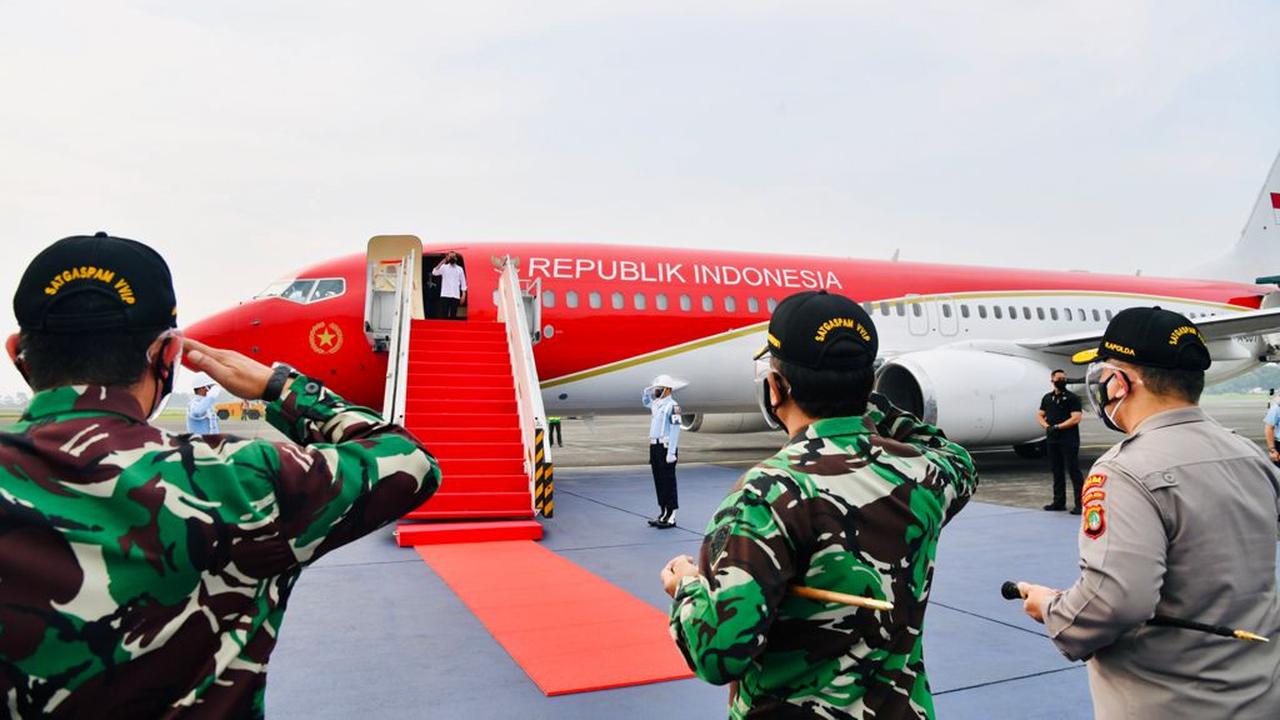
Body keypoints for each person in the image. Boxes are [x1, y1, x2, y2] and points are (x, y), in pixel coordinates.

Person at [0, 233, 441, 718]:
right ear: (168, 356)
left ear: (17, 352)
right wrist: (282, 387)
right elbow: (409, 460)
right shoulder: (237, 481)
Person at [661, 290, 978, 719]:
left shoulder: (766, 493)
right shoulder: (926, 475)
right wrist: (864, 401)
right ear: (868, 383)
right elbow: (954, 456)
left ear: (776, 388)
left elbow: (719, 654)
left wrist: (686, 587)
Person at [1017, 307, 1280, 719]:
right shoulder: (1250, 455)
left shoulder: (1124, 471)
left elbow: (1115, 603)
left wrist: (1051, 608)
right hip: (1259, 695)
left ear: (1119, 384)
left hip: (1169, 703)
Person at [1037, 368, 1084, 513]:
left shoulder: (1072, 398)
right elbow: (1039, 414)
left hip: (1068, 438)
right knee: (1056, 470)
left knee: (1073, 469)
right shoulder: (1047, 398)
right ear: (1052, 380)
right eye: (1059, 379)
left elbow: (1076, 418)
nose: (1062, 381)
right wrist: (1047, 427)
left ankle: (1080, 504)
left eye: (1063, 379)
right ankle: (1058, 502)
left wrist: (1058, 426)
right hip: (1053, 439)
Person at [643, 375, 683, 528]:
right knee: (659, 481)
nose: (657, 391)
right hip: (655, 447)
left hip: (666, 447)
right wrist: (646, 392)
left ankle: (671, 515)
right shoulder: (657, 404)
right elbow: (645, 402)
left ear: (667, 390)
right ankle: (663, 512)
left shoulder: (673, 406)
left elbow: (675, 430)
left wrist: (671, 452)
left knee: (668, 482)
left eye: (659, 389)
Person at [431, 251, 467, 319]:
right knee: (443, 315)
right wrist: (443, 261)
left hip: (455, 295)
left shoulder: (460, 269)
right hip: (445, 294)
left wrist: (463, 294)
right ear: (448, 258)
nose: (452, 258)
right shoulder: (444, 267)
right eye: (450, 256)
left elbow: (463, 282)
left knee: (453, 315)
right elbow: (434, 272)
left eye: (453, 256)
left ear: (456, 258)